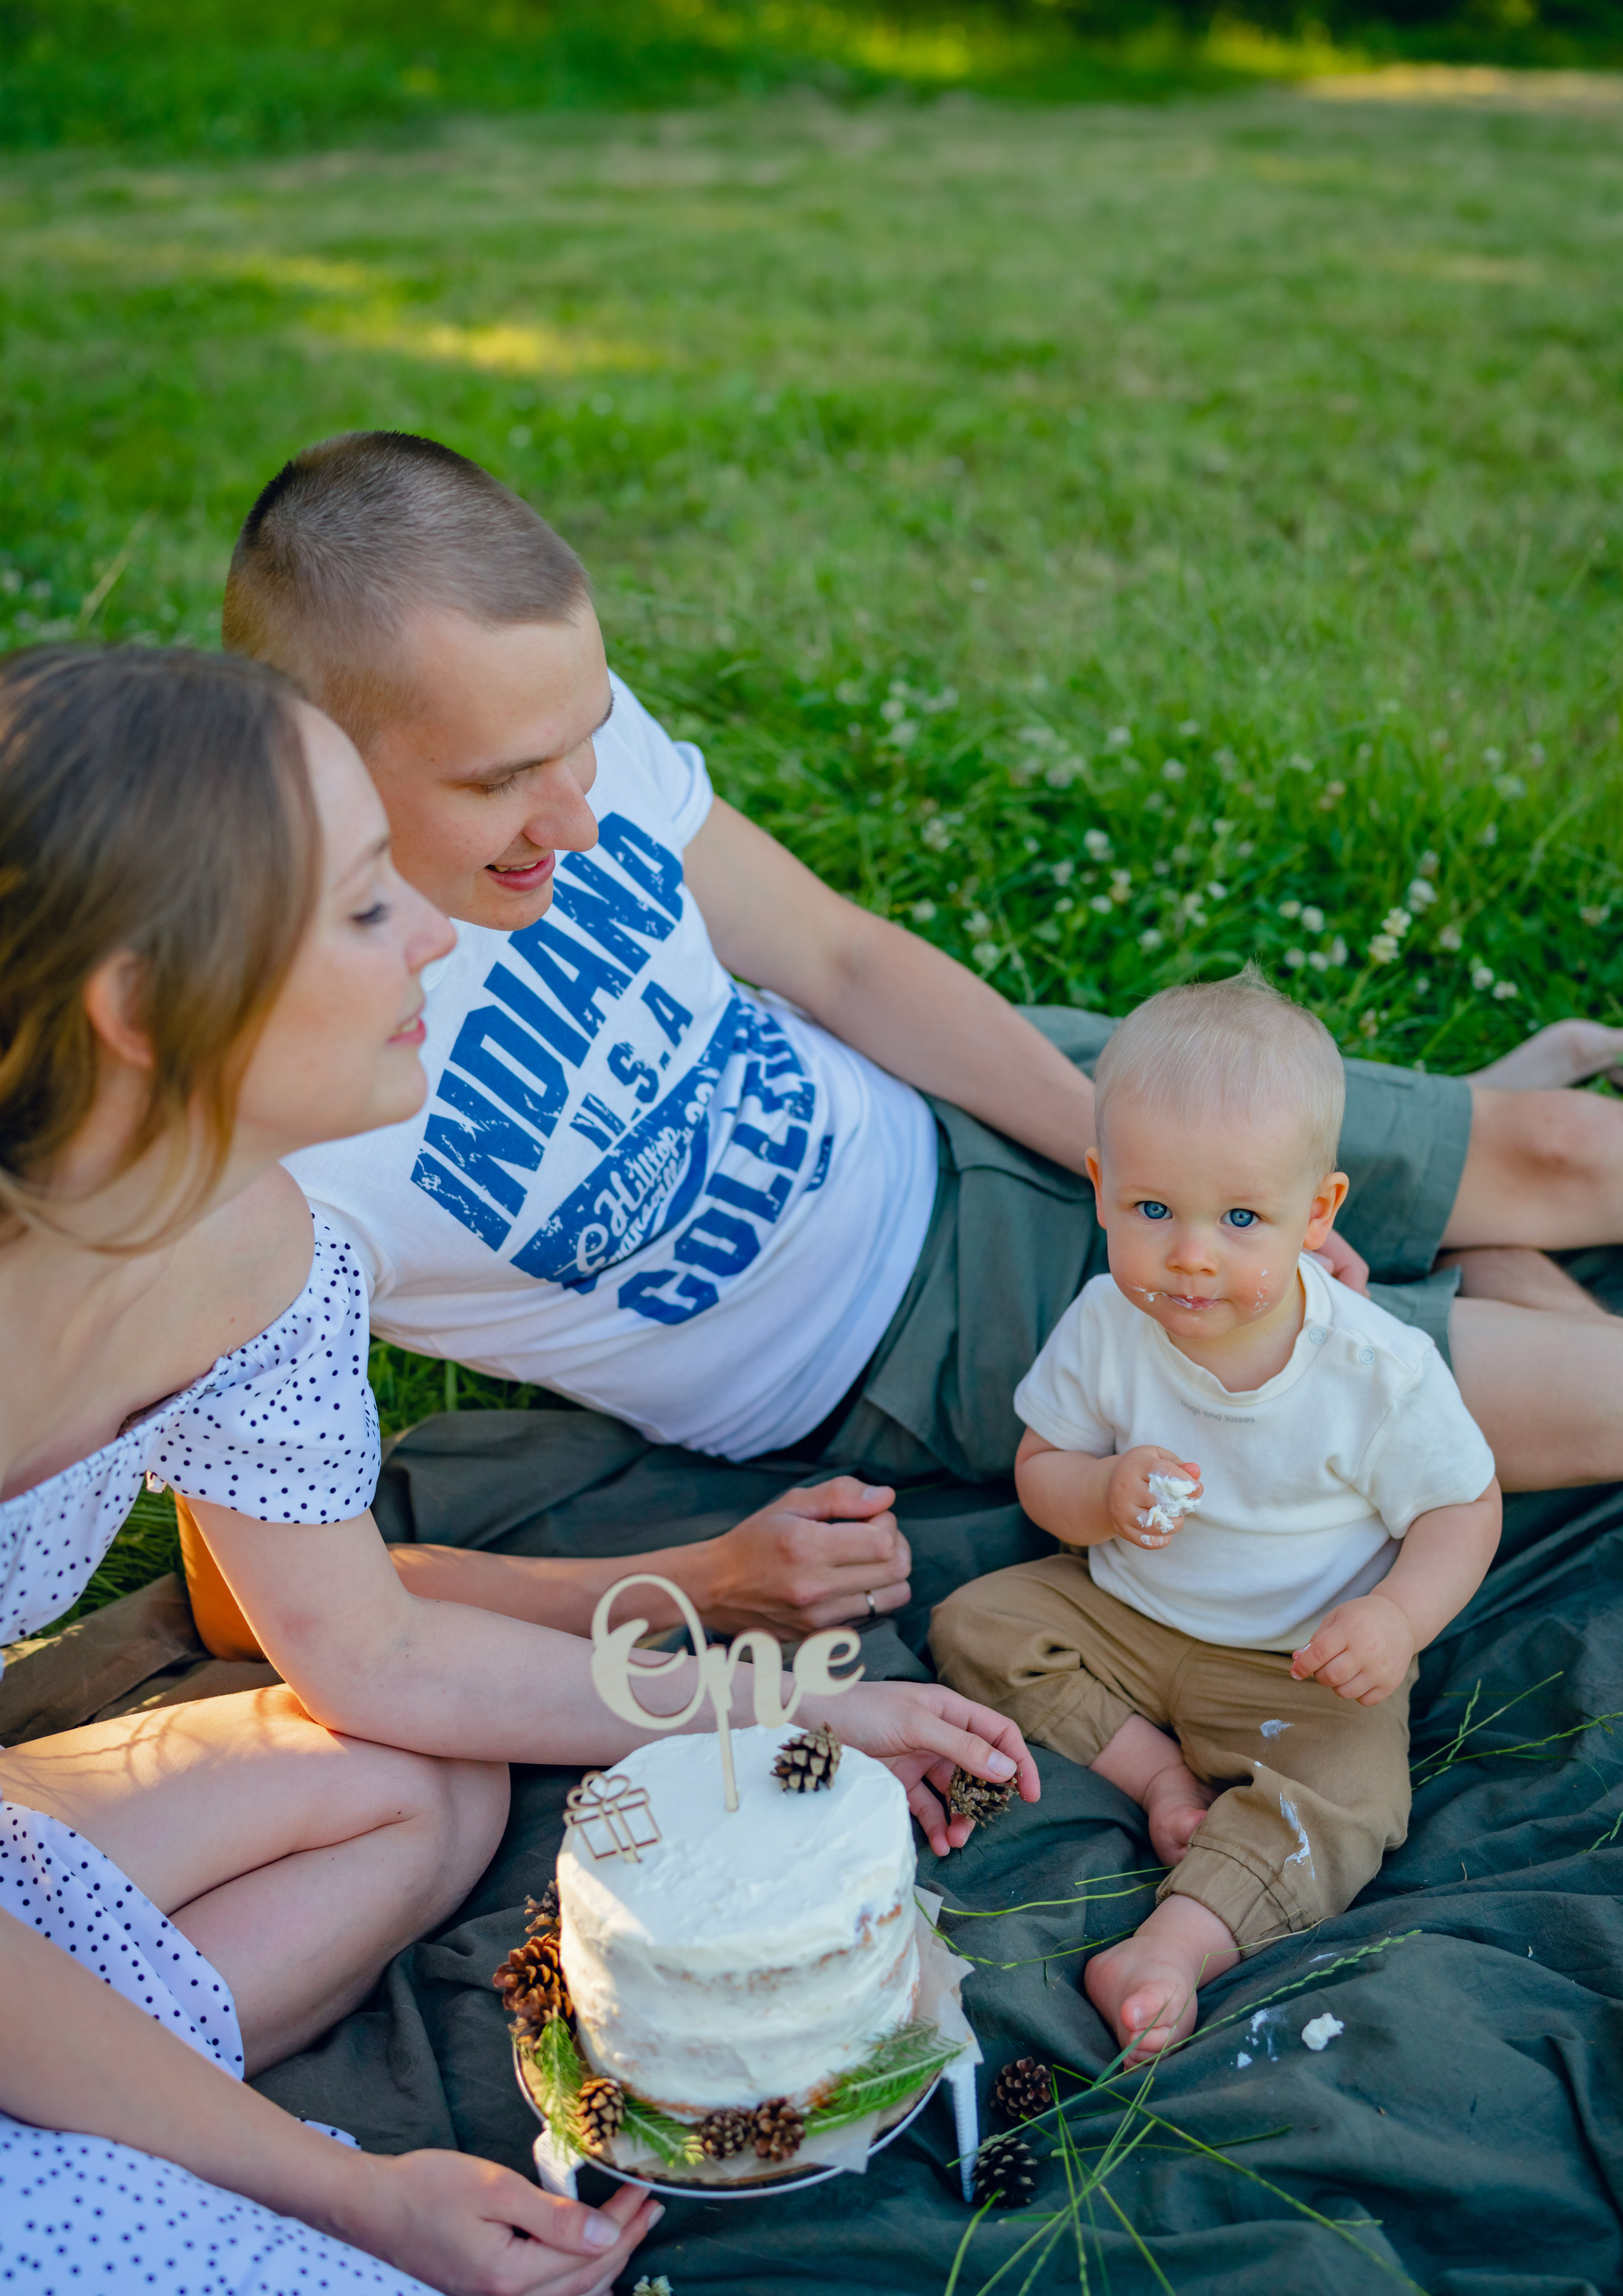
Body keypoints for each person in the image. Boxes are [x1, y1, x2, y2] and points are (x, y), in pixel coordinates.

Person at [0, 645, 1035, 2296]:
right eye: (356, 909)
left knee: (424, 1784)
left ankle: (96, 2098)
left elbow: (371, 1658)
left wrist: (783, 1706)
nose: (434, 938)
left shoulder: (257, 1257)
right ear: (142, 1010)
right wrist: (339, 2188)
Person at [214, 432, 1622, 1645]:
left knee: (1567, 1152)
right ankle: (1484, 1269)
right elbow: (260, 1606)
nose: (578, 818)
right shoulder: (278, 1137)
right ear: (305, 751)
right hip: (917, 1343)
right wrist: (696, 1580)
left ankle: (1489, 1240)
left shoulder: (533, 728)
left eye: (580, 741)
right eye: (505, 781)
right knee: (1583, 1404)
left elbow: (838, 956)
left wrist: (1128, 1183)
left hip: (968, 1097)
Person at [929, 976, 1501, 2055]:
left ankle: (1178, 1942)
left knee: (1352, 1794)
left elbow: (1464, 1508)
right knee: (978, 1624)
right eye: (1154, 1211)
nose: (1191, 1253)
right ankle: (1159, 1777)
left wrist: (1396, 1621)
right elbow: (1041, 1461)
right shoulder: (1109, 1321)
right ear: (1103, 1191)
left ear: (1318, 1215)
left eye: (1241, 1219)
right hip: (1130, 1614)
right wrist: (1098, 1494)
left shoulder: (1374, 1370)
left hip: (1299, 1659)